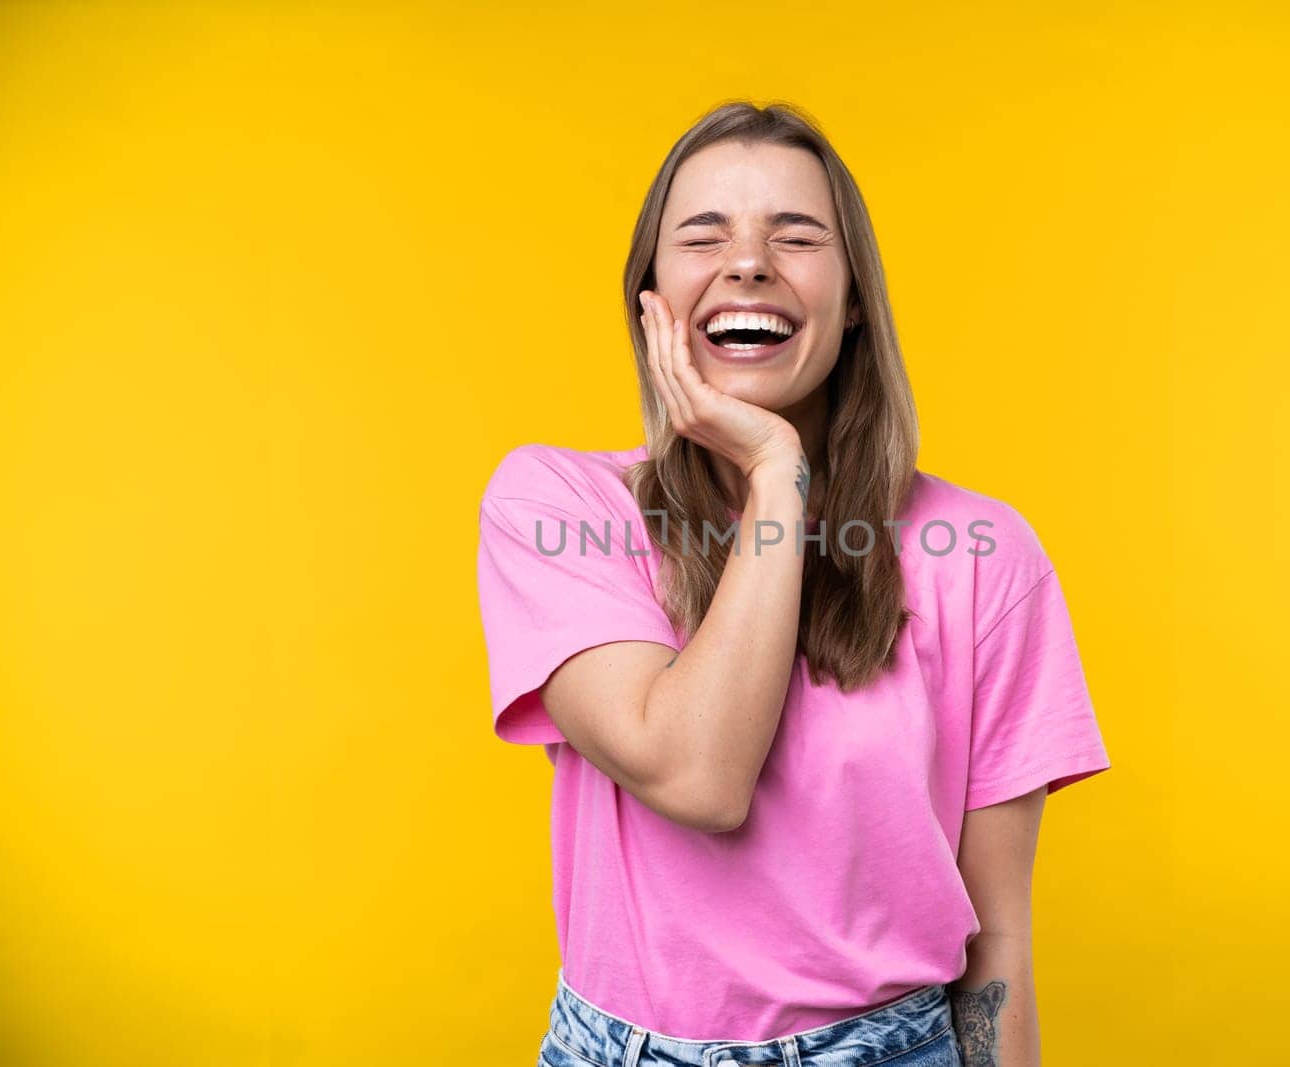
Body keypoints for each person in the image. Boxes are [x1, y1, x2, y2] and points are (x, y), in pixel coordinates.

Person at [476, 100, 1112, 1067]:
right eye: (703, 235)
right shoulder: (559, 505)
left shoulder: (984, 553)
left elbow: (998, 941)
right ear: (650, 295)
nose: (747, 262)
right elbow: (698, 774)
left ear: (854, 297)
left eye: (796, 235)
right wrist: (779, 472)